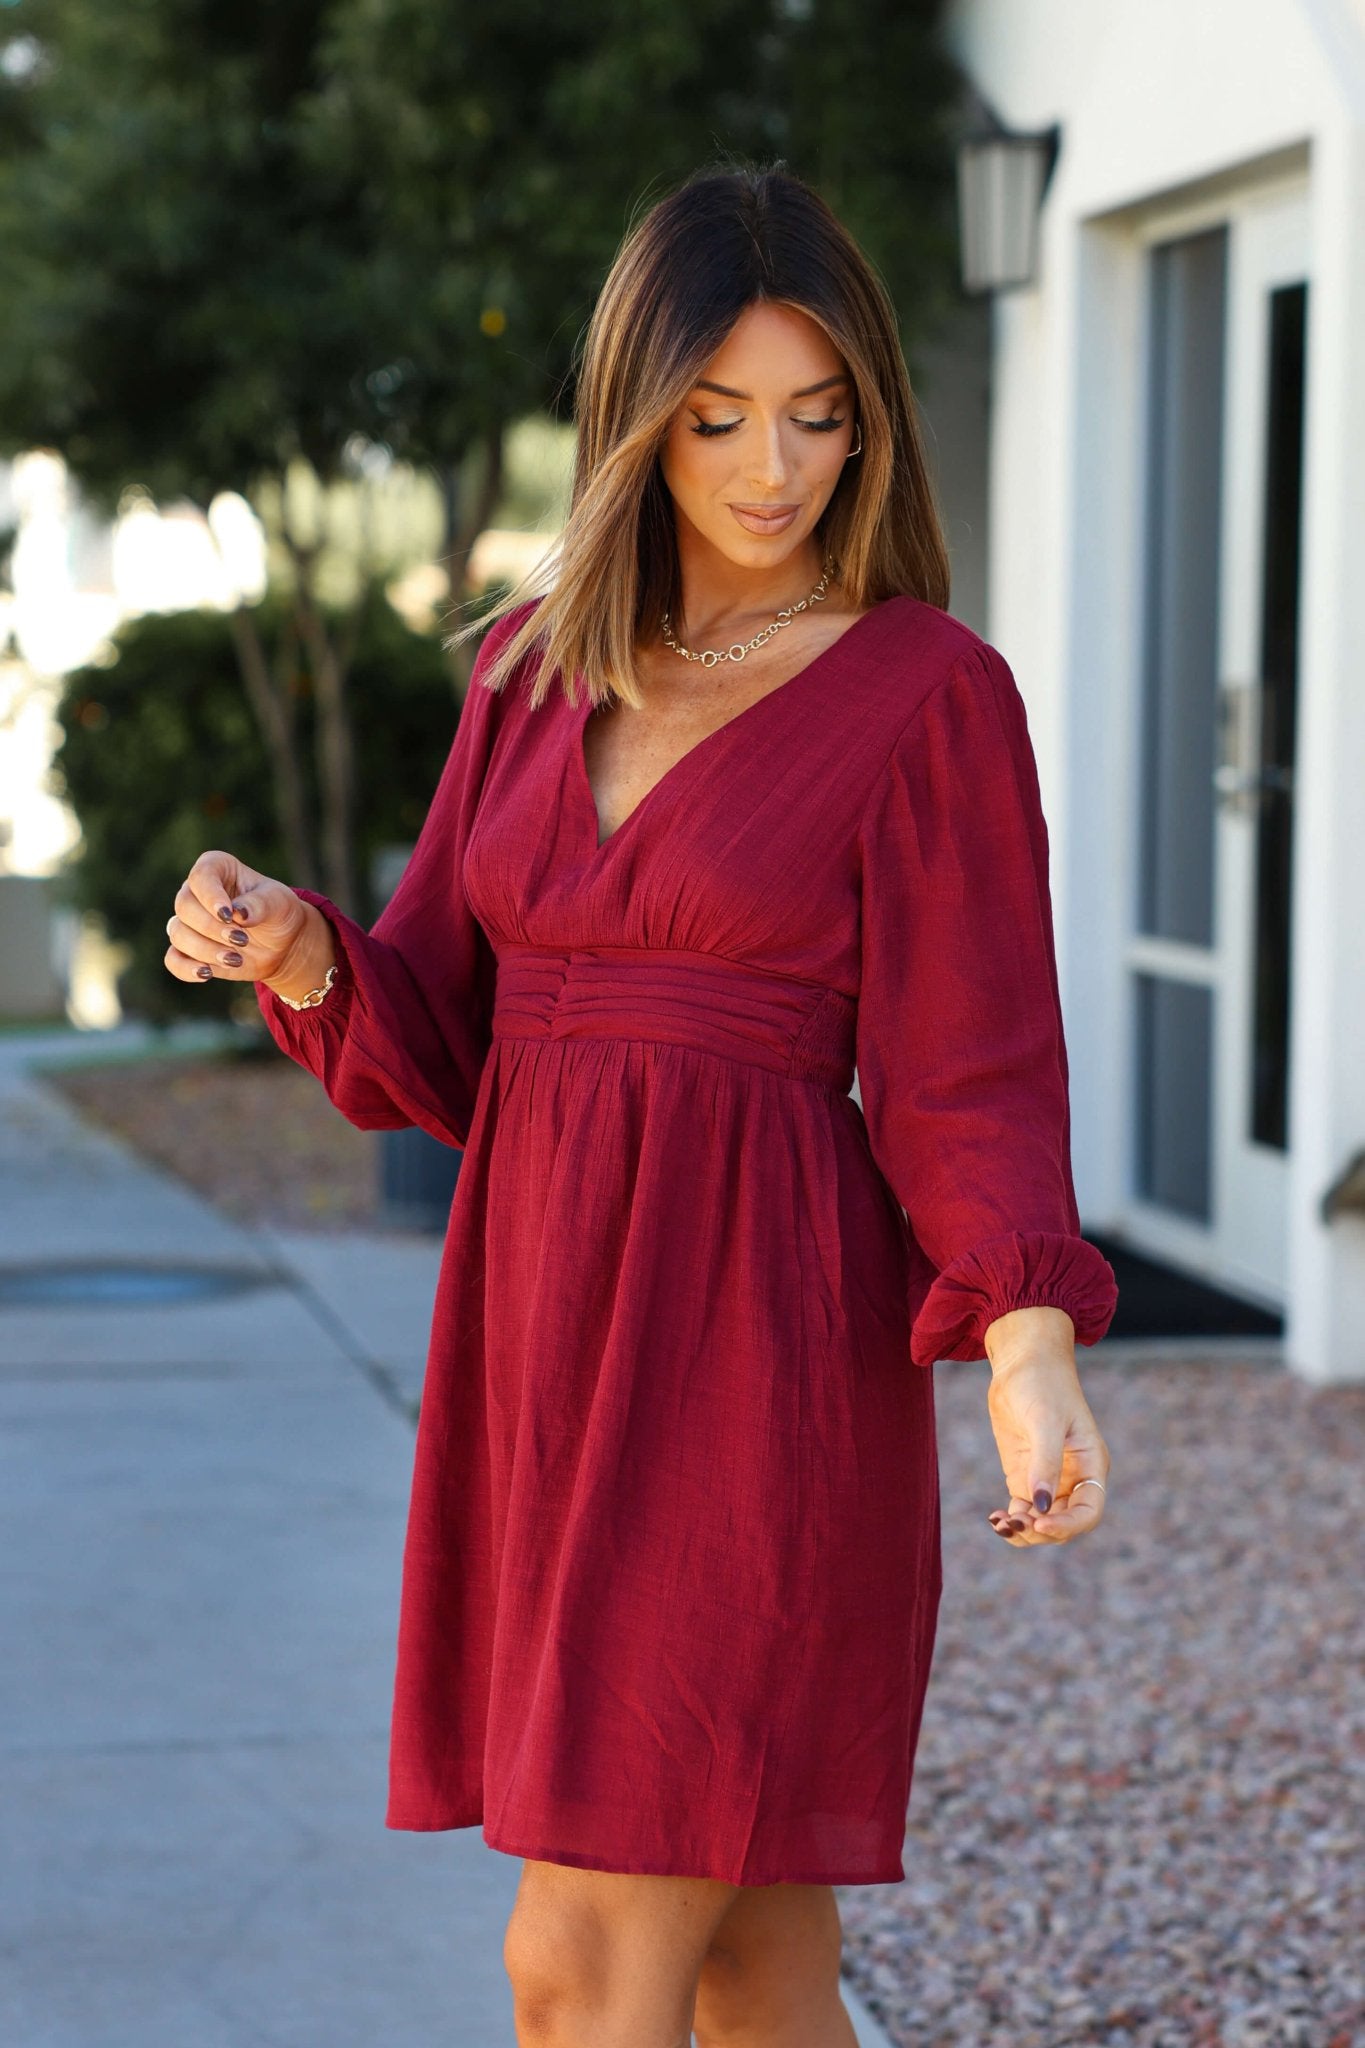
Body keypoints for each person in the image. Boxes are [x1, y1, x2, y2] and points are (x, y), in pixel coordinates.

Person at [164, 160, 1117, 2048]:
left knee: (574, 1966)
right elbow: (438, 1020)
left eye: (819, 413)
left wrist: (1026, 1342)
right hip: (542, 1345)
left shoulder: (926, 692)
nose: (774, 467)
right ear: (633, 420)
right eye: (717, 419)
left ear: (871, 420)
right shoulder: (529, 674)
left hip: (757, 1359)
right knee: (754, 1968)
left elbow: (971, 1062)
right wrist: (294, 950)